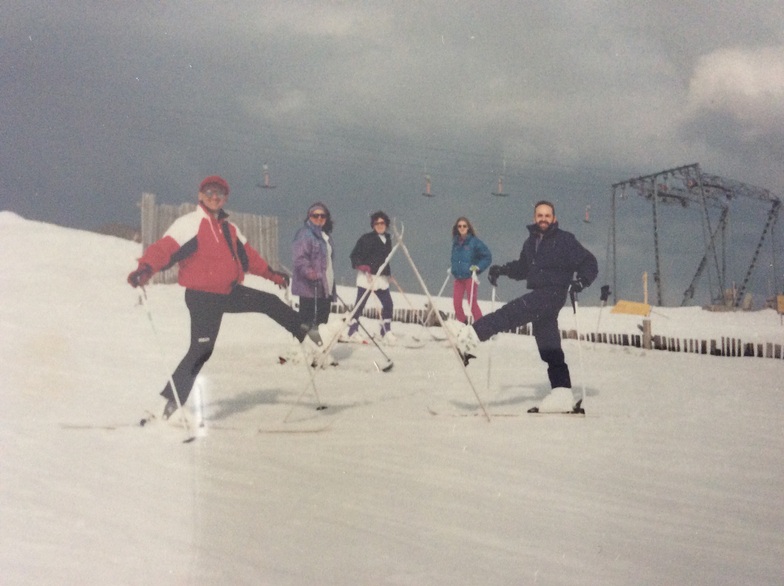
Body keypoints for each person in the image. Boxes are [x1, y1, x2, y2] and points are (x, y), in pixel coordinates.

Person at [126, 175, 322, 420]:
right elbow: (164, 249)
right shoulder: (189, 224)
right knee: (201, 349)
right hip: (202, 297)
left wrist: (273, 275)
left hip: (228, 292)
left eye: (219, 194)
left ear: (225, 198)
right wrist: (145, 269)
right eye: (209, 192)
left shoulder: (230, 229)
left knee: (268, 302)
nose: (214, 197)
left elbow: (250, 258)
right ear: (200, 195)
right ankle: (171, 404)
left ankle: (306, 329)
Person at [455, 200, 598, 393]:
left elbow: (589, 262)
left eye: (547, 216)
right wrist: (502, 270)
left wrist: (581, 282)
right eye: (540, 215)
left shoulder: (565, 240)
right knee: (549, 345)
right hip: (540, 293)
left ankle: (472, 336)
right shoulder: (531, 242)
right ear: (534, 218)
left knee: (512, 311)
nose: (543, 219)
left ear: (554, 218)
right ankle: (561, 393)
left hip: (553, 292)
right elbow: (523, 268)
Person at [346, 211, 395, 343]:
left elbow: (385, 260)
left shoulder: (388, 239)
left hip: (381, 278)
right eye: (377, 223)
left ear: (386, 224)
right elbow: (354, 255)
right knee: (360, 305)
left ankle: (386, 331)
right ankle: (352, 331)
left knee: (388, 304)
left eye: (382, 223)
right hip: (367, 277)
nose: (380, 225)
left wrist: (388, 273)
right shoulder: (366, 238)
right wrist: (362, 266)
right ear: (373, 225)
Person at [291, 202, 335, 329]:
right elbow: (299, 258)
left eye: (322, 216)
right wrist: (310, 273)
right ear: (309, 217)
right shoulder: (304, 234)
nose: (319, 218)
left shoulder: (325, 236)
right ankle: (305, 344)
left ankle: (319, 345)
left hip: (326, 284)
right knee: (307, 321)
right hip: (309, 286)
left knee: (322, 320)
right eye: (315, 216)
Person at [450, 217, 492, 323]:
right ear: (457, 228)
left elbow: (487, 256)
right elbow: (456, 259)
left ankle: (482, 327)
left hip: (470, 277)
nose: (462, 228)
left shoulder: (474, 242)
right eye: (459, 226)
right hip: (458, 278)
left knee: (472, 303)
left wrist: (478, 267)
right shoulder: (455, 242)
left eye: (464, 226)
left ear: (468, 227)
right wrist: (453, 267)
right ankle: (463, 325)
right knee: (456, 304)